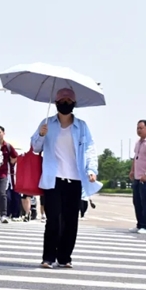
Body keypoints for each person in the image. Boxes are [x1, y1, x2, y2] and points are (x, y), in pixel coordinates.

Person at [30, 87, 99, 269]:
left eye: (69, 101)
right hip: (53, 178)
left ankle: (64, 257)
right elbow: (35, 147)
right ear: (56, 103)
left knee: (70, 220)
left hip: (75, 179)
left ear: (74, 104)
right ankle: (48, 257)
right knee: (53, 219)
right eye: (62, 101)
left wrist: (91, 169)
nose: (65, 104)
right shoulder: (47, 124)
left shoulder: (81, 127)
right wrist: (41, 135)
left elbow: (90, 149)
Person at [0, 126, 18, 224]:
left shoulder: (7, 146)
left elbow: (15, 156)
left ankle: (3, 214)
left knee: (2, 193)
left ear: (4, 133)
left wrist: (11, 163)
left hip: (3, 173)